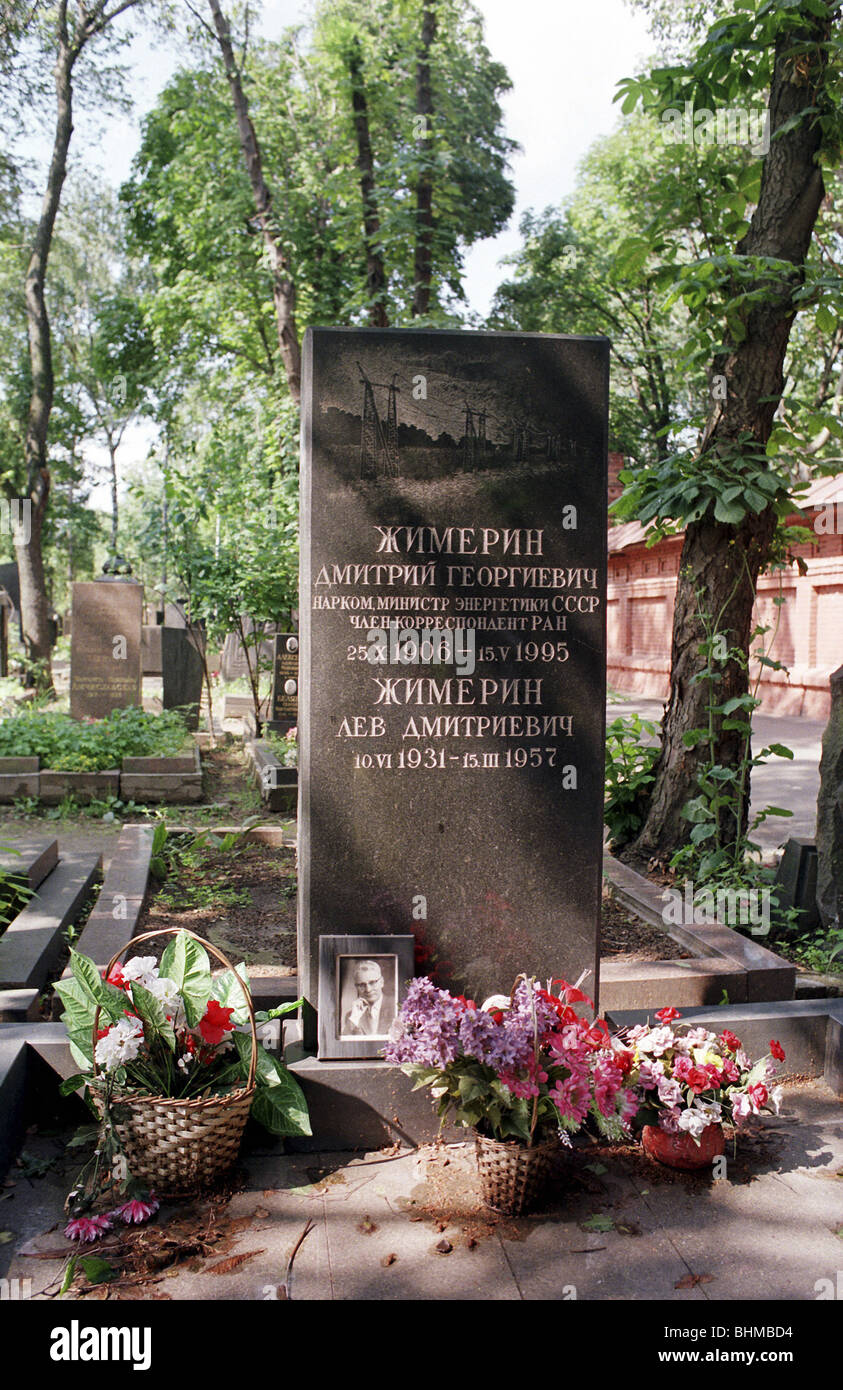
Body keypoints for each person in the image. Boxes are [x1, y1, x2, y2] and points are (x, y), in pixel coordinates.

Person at [341, 959, 393, 1036]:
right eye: (362, 985)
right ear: (356, 987)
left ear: (381, 982)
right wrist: (354, 1017)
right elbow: (344, 1043)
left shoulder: (396, 1005)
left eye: (372, 983)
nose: (368, 989)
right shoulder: (352, 1016)